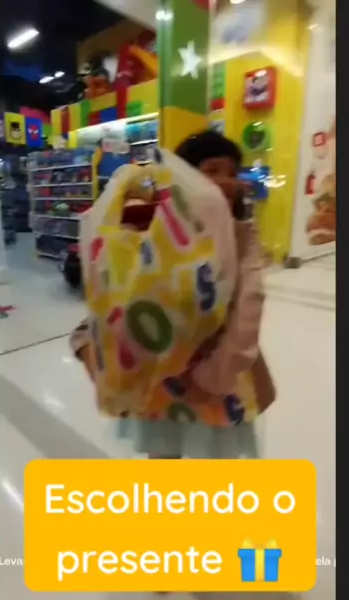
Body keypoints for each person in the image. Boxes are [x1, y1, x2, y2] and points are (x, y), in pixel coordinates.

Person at [70, 130, 267, 459]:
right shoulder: (155, 232)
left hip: (216, 379)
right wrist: (87, 341)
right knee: (163, 463)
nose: (227, 181)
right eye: (212, 170)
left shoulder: (240, 235)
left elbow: (248, 313)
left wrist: (211, 378)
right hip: (160, 383)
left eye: (233, 172)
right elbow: (121, 294)